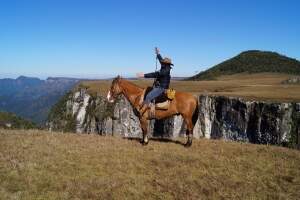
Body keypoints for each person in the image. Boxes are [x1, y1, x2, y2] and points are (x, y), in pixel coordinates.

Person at [137, 47, 173, 115]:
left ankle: (141, 112)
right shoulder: (165, 67)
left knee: (148, 96)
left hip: (162, 88)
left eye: (163, 63)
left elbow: (155, 74)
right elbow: (161, 60)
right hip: (159, 86)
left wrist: (144, 75)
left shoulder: (165, 71)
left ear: (166, 64)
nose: (162, 63)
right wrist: (158, 53)